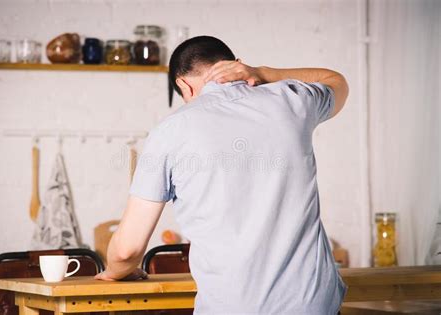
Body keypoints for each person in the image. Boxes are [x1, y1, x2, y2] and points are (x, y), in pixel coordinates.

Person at [95, 35, 349, 315]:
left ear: (183, 84)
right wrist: (265, 73)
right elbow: (336, 81)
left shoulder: (170, 132)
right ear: (236, 65)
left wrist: (115, 272)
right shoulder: (292, 100)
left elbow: (126, 250)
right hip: (312, 306)